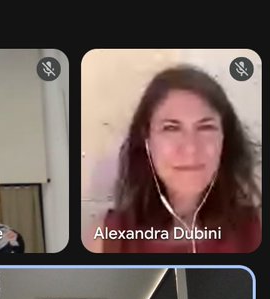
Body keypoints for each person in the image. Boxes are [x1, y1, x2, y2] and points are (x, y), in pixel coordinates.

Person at [92, 65, 260, 253]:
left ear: (225, 138)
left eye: (206, 127)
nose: (190, 148)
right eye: (171, 128)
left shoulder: (255, 228)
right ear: (146, 140)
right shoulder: (108, 237)